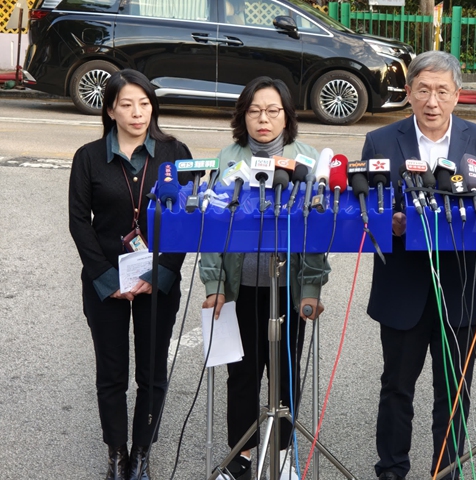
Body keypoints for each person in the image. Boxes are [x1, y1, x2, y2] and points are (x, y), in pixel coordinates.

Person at [361, 50, 476, 480]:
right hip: (402, 287)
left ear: (458, 95)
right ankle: (392, 470)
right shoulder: (382, 142)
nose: (432, 101)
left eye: (442, 91)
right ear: (409, 93)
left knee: (454, 394)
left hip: (461, 288)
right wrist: (391, 223)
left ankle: (448, 471)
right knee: (396, 389)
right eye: (423, 90)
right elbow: (367, 207)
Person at [199, 76, 330, 480]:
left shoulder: (306, 160)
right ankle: (239, 458)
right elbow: (211, 228)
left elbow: (315, 235)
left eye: (273, 111)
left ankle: (283, 454)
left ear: (286, 116)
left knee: (284, 375)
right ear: (244, 114)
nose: (263, 119)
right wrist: (215, 285)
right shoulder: (227, 158)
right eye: (255, 110)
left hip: (286, 291)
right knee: (241, 377)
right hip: (240, 291)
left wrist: (310, 288)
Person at [69, 69, 193, 480]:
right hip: (106, 281)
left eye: (144, 103)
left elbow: (188, 219)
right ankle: (116, 452)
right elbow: (78, 222)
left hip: (157, 281)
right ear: (110, 109)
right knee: (112, 371)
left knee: (153, 371)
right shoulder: (88, 156)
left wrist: (159, 273)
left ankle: (142, 450)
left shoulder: (175, 152)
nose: (137, 112)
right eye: (126, 104)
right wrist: (107, 278)